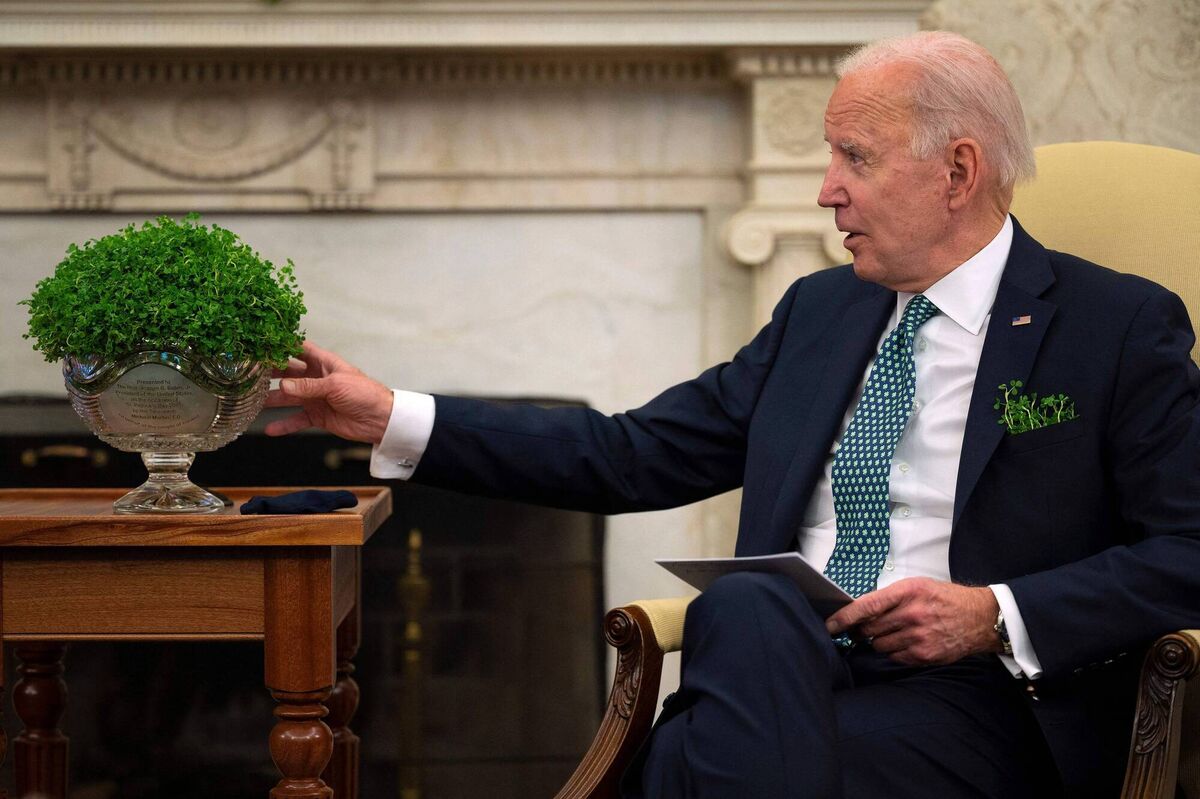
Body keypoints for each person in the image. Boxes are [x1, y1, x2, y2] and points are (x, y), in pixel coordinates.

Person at [265, 31, 1200, 799]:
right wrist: (386, 414)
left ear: (958, 171)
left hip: (972, 701)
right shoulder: (820, 312)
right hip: (782, 669)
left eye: (855, 158)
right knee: (751, 606)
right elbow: (629, 454)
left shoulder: (1114, 327)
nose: (826, 189)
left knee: (682, 764)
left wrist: (992, 612)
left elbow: (1187, 549)